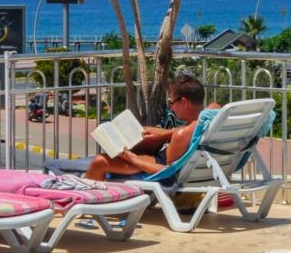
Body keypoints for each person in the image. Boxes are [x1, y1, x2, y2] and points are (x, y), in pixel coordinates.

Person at [83, 73, 216, 182]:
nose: (171, 108)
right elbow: (215, 105)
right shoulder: (211, 117)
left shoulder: (182, 134)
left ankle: (85, 199)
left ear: (184, 102)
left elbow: (167, 172)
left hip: (157, 165)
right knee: (143, 132)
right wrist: (166, 133)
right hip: (171, 157)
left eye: (171, 102)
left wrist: (133, 159)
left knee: (99, 161)